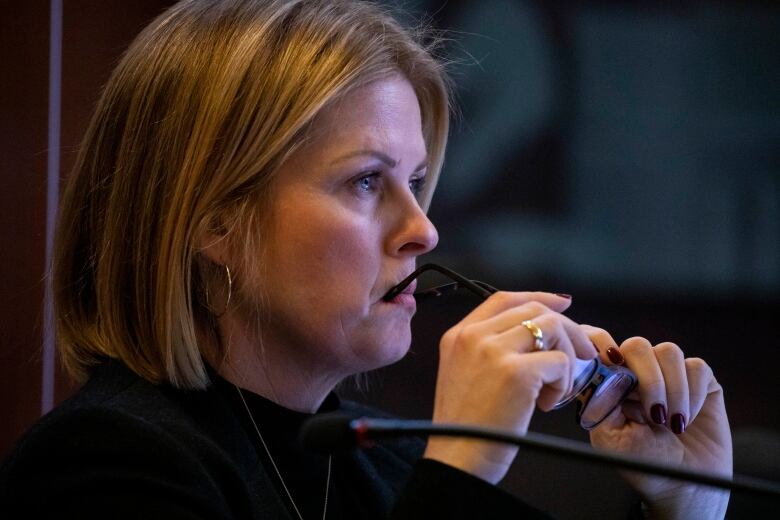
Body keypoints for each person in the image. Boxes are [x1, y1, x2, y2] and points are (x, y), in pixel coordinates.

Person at [0, 0, 732, 518]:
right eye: (364, 182)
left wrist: (690, 509)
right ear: (212, 221)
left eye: (415, 184)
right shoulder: (100, 465)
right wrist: (464, 462)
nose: (423, 231)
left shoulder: (384, 466)